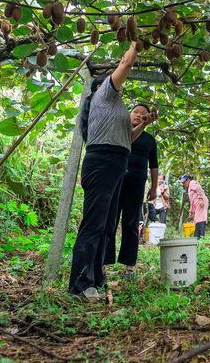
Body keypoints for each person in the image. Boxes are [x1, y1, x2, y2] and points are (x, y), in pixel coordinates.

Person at [68, 41, 158, 302]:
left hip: (116, 159)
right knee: (95, 223)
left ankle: (95, 278)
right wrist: (134, 40)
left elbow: (127, 138)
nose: (117, 77)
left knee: (107, 225)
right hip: (104, 160)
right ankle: (81, 284)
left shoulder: (112, 107)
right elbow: (127, 63)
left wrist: (145, 124)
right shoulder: (104, 93)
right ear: (101, 85)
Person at [104, 104, 159, 281]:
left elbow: (154, 166)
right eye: (135, 112)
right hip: (116, 181)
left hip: (136, 184)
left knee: (131, 223)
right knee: (109, 222)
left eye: (143, 114)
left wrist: (153, 187)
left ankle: (129, 266)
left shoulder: (150, 140)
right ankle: (103, 263)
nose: (138, 115)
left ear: (148, 118)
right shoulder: (120, 132)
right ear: (128, 115)